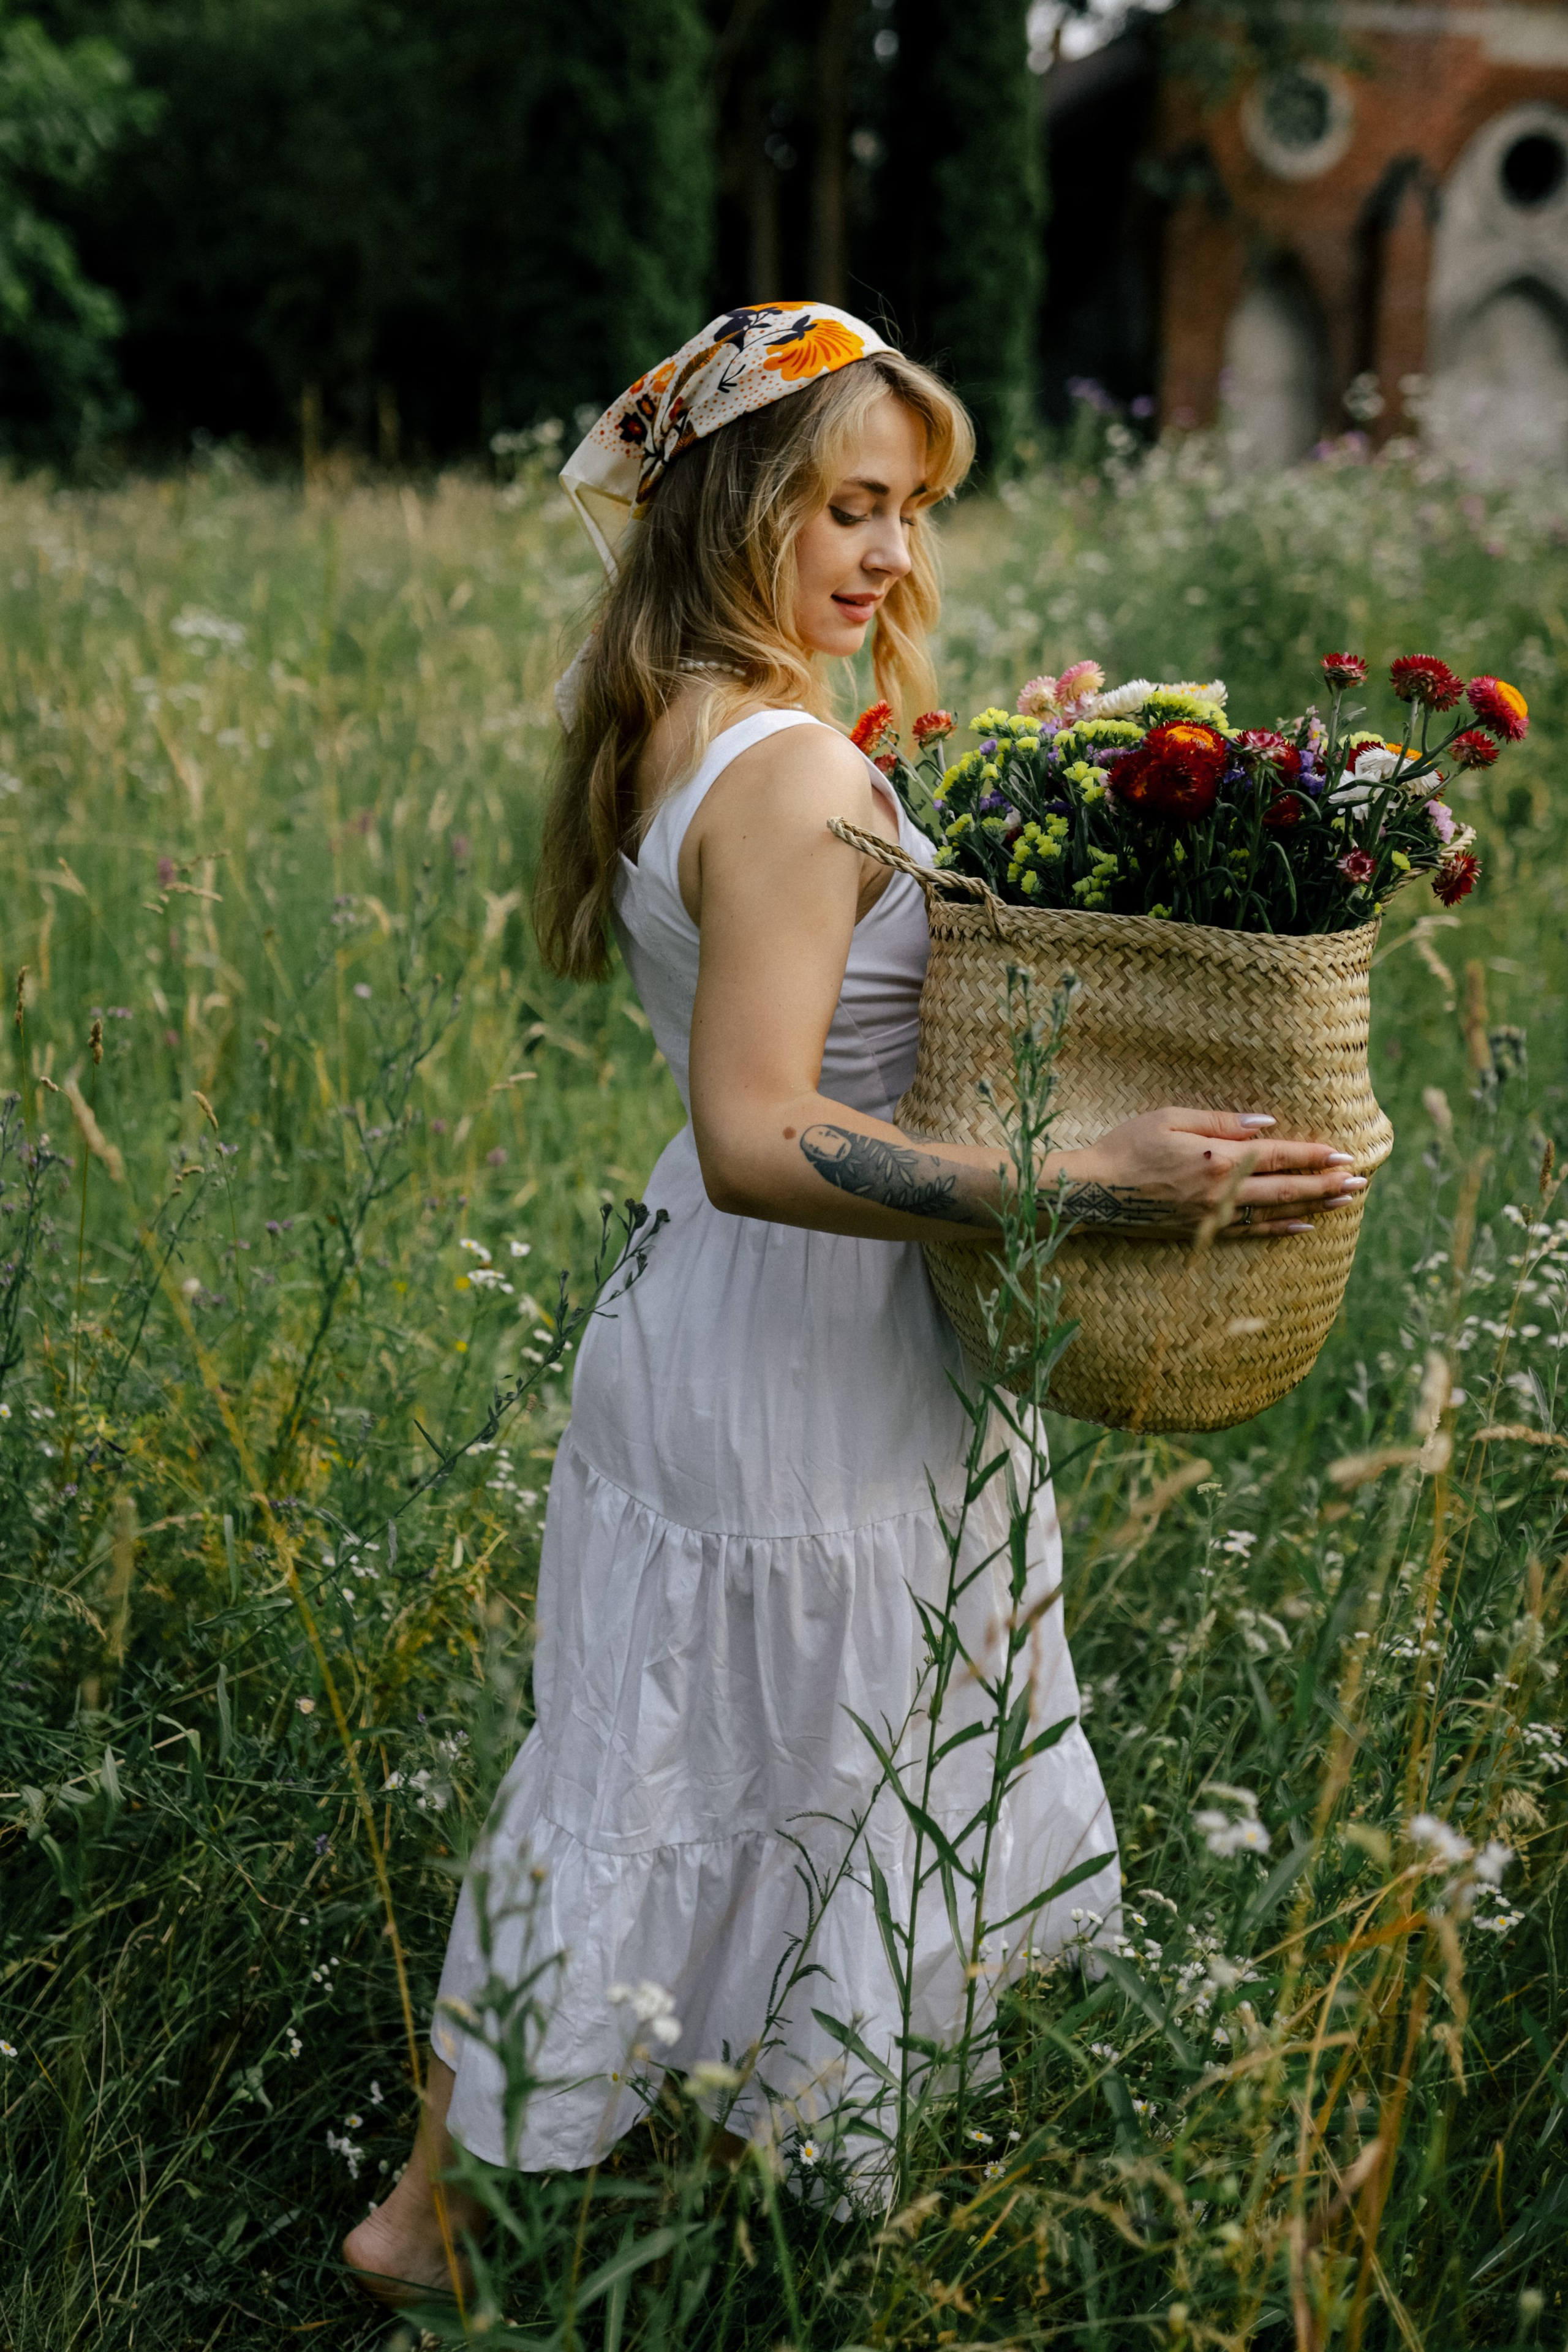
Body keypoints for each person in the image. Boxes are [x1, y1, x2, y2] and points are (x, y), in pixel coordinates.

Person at [344, 302, 1362, 2304]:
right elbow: (758, 1127)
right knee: (751, 1761)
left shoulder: (694, 714)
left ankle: (634, 2179)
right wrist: (1096, 1177)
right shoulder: (794, 766)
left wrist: (994, 780)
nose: (891, 555)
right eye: (848, 508)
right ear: (738, 506)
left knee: (693, 1754)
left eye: (909, 511)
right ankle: (437, 2229)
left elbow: (812, 927)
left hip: (737, 1327)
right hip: (800, 1330)